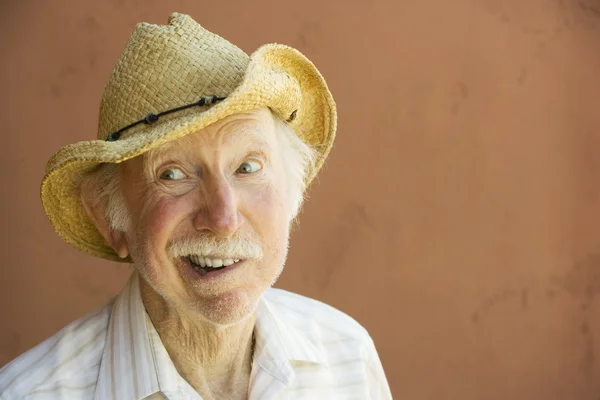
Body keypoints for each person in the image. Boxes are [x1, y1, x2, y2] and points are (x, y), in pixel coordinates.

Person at [0, 12, 392, 400]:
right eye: (172, 175)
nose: (223, 220)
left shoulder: (348, 359)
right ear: (109, 219)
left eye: (248, 167)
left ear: (291, 194)